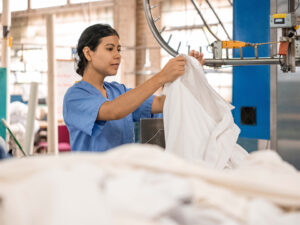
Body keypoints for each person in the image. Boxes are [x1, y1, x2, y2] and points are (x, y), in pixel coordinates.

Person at [63, 24, 204, 152]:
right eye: (110, 49)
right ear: (88, 53)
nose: (117, 55)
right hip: (93, 177)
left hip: (123, 175)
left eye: (118, 49)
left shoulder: (119, 91)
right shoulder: (75, 96)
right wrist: (161, 77)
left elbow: (161, 103)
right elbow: (113, 111)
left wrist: (190, 75)